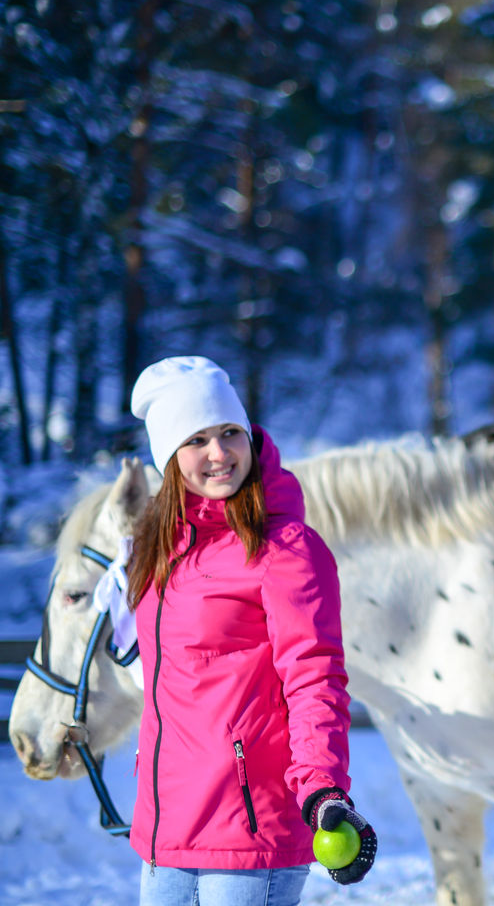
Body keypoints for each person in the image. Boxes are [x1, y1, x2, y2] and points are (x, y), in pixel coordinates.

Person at [122, 355, 376, 906]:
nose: (219, 454)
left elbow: (315, 680)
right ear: (169, 458)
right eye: (197, 440)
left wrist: (323, 789)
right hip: (165, 830)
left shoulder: (285, 550)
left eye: (230, 433)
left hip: (249, 830)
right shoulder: (162, 550)